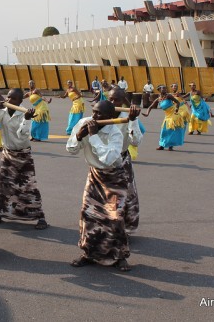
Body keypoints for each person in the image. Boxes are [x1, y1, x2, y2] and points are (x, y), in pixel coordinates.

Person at [66, 100, 131, 271]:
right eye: (94, 112)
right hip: (94, 175)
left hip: (114, 177)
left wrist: (93, 136)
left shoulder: (115, 133)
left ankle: (119, 256)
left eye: (99, 114)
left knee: (115, 217)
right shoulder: (83, 123)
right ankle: (88, 253)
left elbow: (108, 159)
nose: (94, 117)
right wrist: (78, 137)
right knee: (88, 214)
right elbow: (71, 149)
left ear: (110, 117)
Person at [0, 88, 48, 230]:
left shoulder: (24, 112)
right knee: (4, 185)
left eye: (13, 99)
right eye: (8, 97)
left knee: (28, 186)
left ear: (20, 101)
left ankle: (40, 216)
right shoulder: (2, 111)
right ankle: (0, 213)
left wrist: (27, 119)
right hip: (7, 153)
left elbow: (22, 135)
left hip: (23, 154)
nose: (9, 101)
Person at [106, 87, 143, 234]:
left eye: (117, 99)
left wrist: (133, 121)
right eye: (110, 99)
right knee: (103, 196)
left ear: (123, 101)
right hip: (103, 162)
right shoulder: (101, 112)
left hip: (121, 160)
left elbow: (136, 141)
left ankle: (123, 229)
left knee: (124, 196)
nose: (113, 102)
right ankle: (105, 228)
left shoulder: (129, 116)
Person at [142, 85, 185, 151]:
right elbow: (150, 107)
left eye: (165, 88)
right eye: (163, 89)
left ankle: (170, 146)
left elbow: (177, 102)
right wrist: (147, 113)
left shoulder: (168, 96)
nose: (165, 90)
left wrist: (177, 109)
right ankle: (162, 145)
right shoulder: (158, 99)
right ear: (159, 90)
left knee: (171, 130)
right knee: (163, 131)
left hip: (173, 115)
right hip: (167, 116)